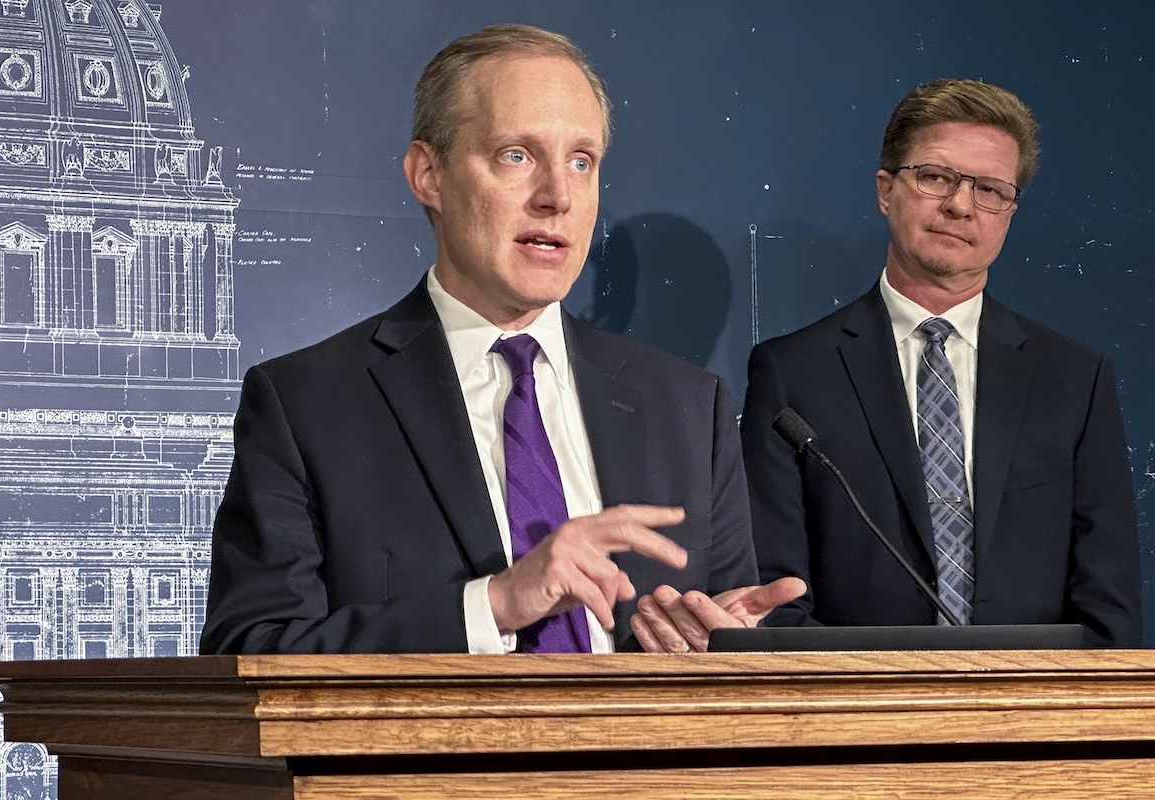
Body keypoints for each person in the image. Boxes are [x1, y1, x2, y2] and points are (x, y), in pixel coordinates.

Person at [199, 23, 803, 657]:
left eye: (581, 161)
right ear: (428, 175)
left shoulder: (687, 405)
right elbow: (252, 649)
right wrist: (494, 606)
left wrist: (720, 644)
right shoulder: (309, 404)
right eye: (517, 155)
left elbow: (726, 640)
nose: (558, 196)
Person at [741, 78, 1142, 647]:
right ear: (886, 191)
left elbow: (1110, 610)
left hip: (1036, 697)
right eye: (935, 177)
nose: (960, 206)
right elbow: (774, 598)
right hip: (854, 696)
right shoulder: (792, 373)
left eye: (990, 190)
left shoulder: (1074, 378)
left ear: (1010, 211)